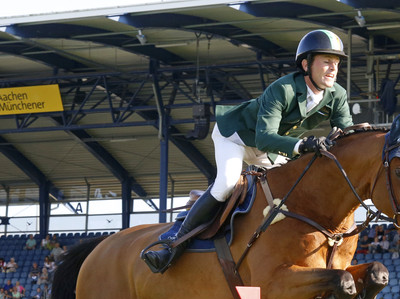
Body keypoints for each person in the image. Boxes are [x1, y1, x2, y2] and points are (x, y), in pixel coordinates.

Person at [142, 29, 353, 273]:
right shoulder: (282, 89)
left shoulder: (337, 94)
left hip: (272, 149)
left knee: (291, 190)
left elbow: (346, 136)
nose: (333, 68)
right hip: (236, 137)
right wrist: (301, 146)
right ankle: (171, 244)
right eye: (326, 61)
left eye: (336, 63)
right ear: (306, 64)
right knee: (228, 183)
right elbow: (264, 137)